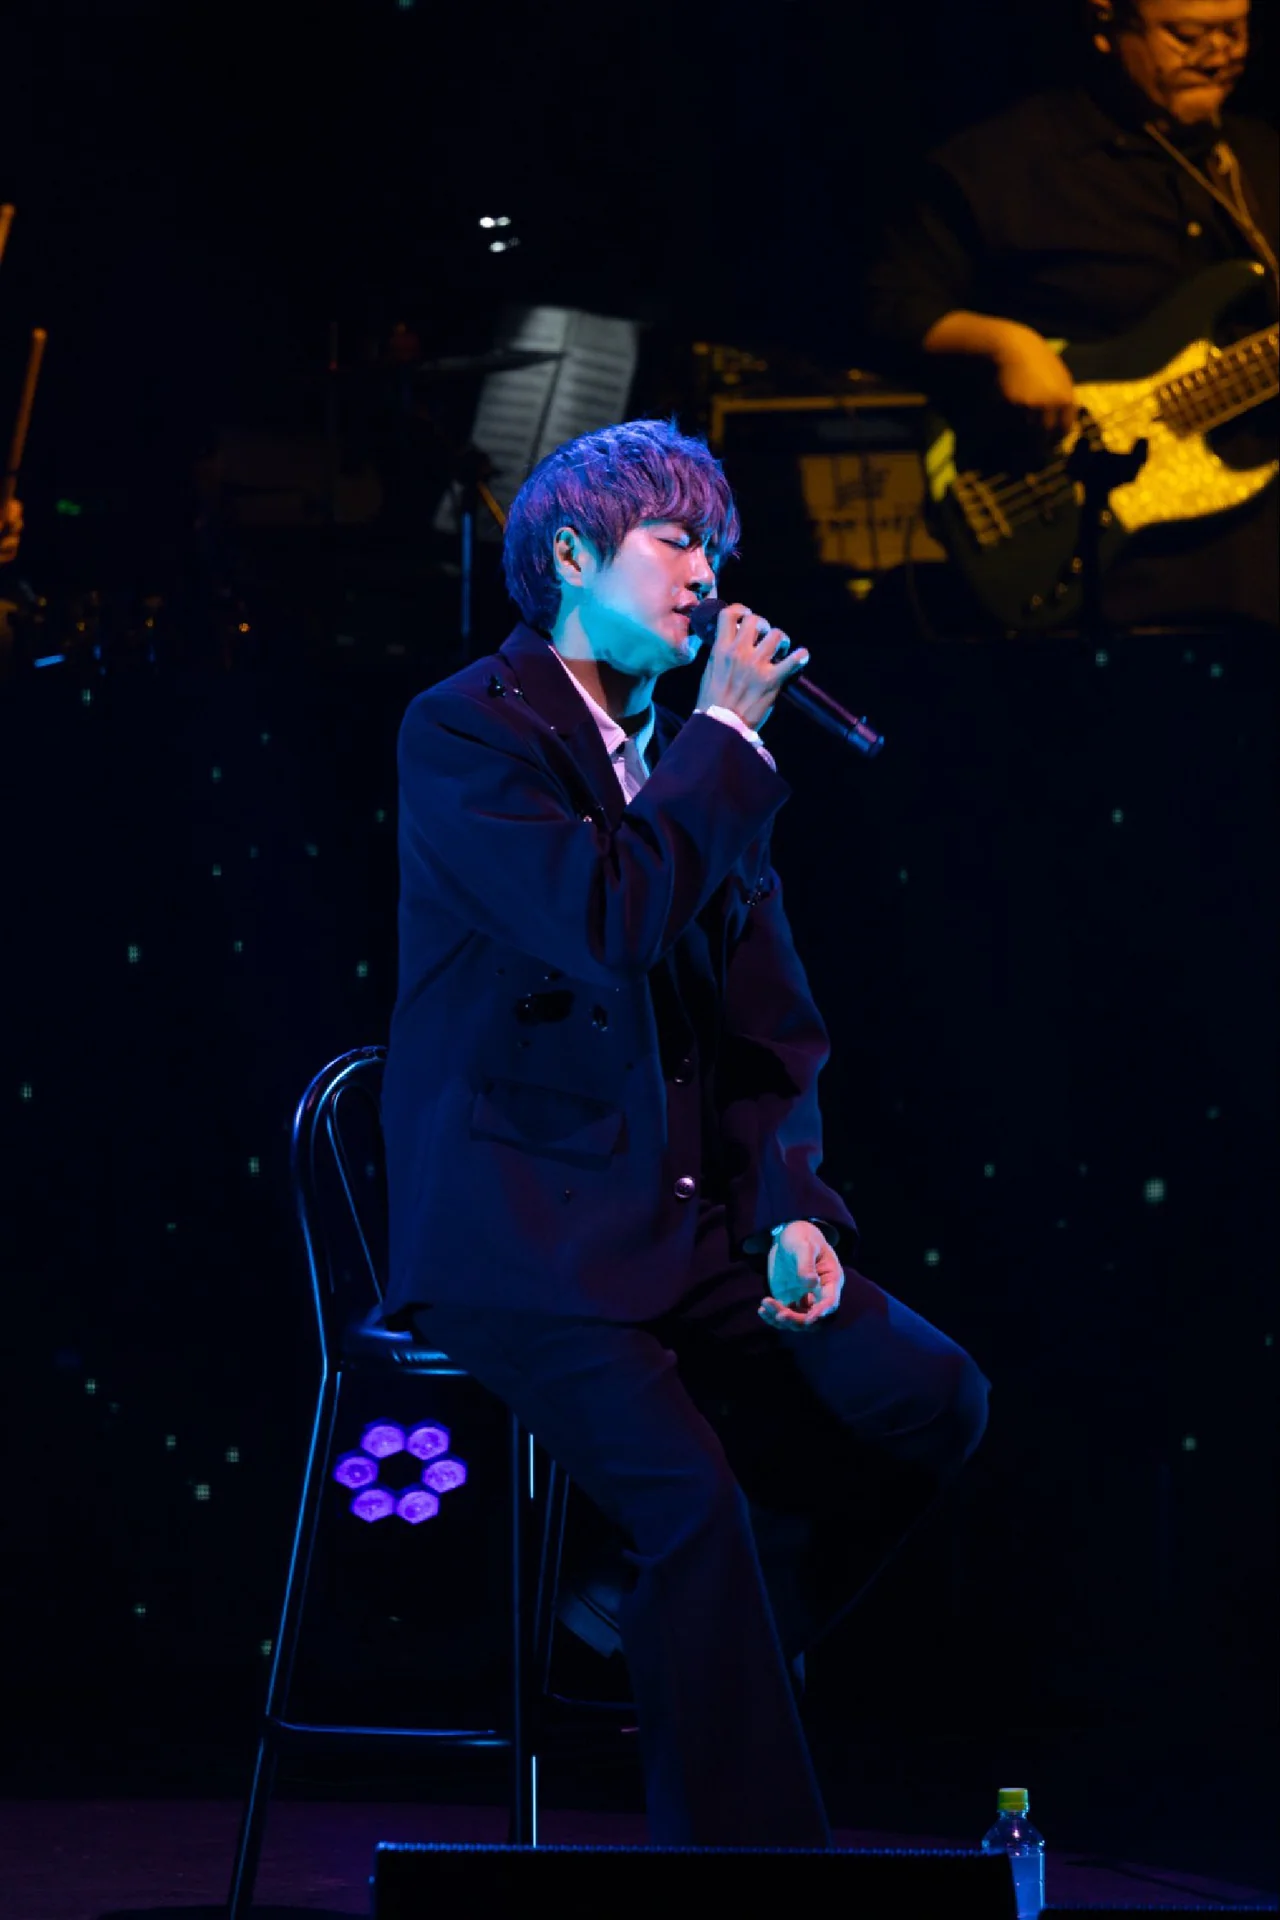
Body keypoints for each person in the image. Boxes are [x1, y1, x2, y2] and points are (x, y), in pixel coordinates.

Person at [379, 418, 989, 1848]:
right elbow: (604, 922)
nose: (708, 577)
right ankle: (745, 1857)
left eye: (717, 548)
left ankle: (668, 1622)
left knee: (927, 1394)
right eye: (674, 543)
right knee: (696, 1511)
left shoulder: (696, 764)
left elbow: (770, 1030)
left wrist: (794, 1211)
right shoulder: (468, 730)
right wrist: (721, 741)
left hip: (684, 1224)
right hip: (522, 1237)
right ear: (570, 557)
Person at [863, 0, 1278, 632]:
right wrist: (1006, 345)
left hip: (1256, 570)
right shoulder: (1005, 163)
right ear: (1107, 23)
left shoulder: (1257, 158)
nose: (1219, 54)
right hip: (1090, 568)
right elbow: (886, 304)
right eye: (1189, 35)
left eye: (1235, 30)